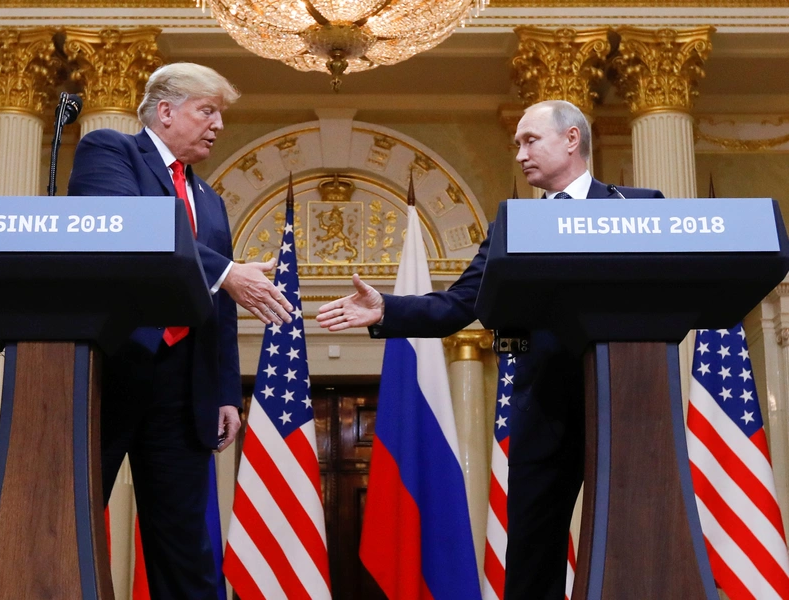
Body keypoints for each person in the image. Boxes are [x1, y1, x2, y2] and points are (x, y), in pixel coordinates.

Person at [316, 99, 664, 600]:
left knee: (636, 539)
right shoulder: (512, 224)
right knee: (532, 550)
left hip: (627, 399)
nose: (520, 154)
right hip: (542, 405)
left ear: (571, 139)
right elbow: (459, 304)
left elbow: (666, 288)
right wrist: (387, 311)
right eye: (516, 144)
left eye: (530, 141)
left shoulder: (638, 206)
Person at [67, 62, 294, 600]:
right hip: (110, 372)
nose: (217, 125)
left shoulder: (210, 201)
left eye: (220, 114)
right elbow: (123, 227)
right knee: (69, 518)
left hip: (182, 387)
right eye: (207, 110)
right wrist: (224, 271)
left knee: (185, 547)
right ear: (165, 111)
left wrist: (223, 393)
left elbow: (217, 308)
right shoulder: (110, 151)